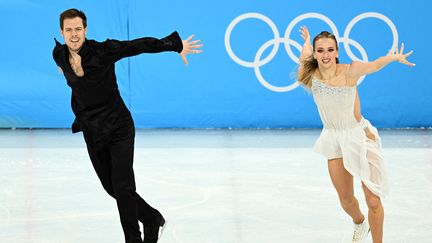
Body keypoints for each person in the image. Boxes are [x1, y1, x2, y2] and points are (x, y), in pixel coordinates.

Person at [52, 8, 202, 243]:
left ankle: (133, 239)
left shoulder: (103, 51)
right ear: (61, 32)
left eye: (78, 29)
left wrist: (174, 45)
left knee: (123, 187)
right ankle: (152, 218)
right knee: (112, 189)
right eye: (69, 30)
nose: (74, 34)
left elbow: (138, 45)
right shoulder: (59, 54)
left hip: (118, 127)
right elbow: (67, 72)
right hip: (92, 132)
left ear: (85, 30)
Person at [297, 26, 414, 243]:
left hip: (358, 136)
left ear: (337, 51)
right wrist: (306, 40)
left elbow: (374, 65)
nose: (325, 55)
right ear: (315, 54)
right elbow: (304, 53)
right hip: (333, 139)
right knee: (346, 200)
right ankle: (360, 223)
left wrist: (393, 58)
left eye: (330, 50)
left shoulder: (351, 70)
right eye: (320, 51)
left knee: (373, 200)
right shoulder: (311, 73)